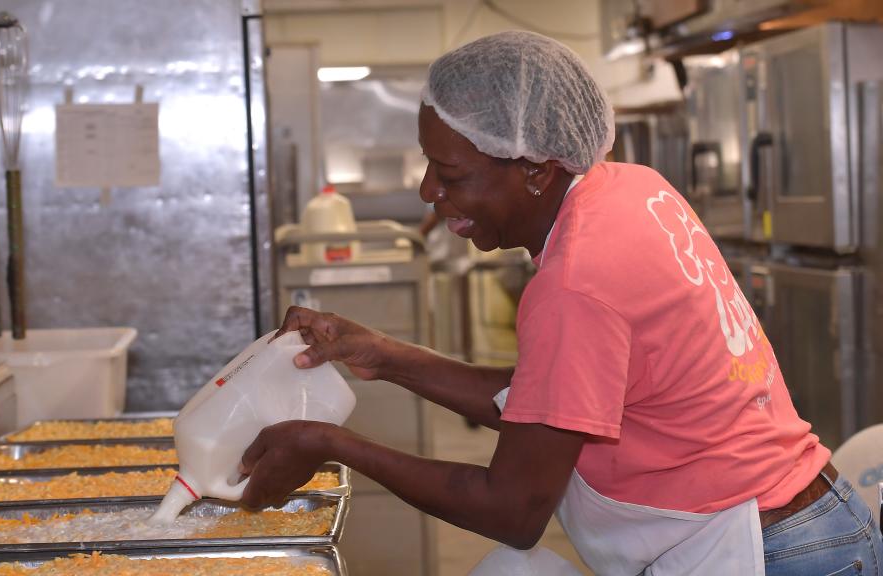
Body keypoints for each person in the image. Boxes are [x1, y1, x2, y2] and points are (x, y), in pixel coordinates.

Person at [238, 31, 882, 575]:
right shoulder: (629, 189)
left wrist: (332, 444)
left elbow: (511, 509)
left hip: (772, 552)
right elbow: (552, 405)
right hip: (807, 519)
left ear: (537, 171)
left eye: (452, 173)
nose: (430, 192)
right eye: (428, 166)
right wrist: (378, 353)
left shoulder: (577, 280)